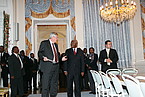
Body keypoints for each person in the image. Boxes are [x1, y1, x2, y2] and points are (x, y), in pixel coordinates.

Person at [38, 32, 67, 97]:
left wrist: (61, 59)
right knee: (46, 83)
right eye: (56, 37)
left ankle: (53, 95)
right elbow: (40, 53)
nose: (57, 39)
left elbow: (57, 55)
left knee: (54, 83)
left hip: (56, 66)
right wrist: (43, 58)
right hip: (47, 66)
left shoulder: (55, 45)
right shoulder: (44, 43)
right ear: (53, 37)